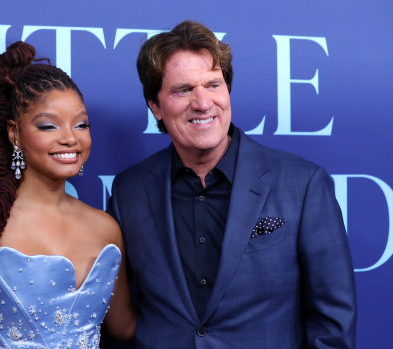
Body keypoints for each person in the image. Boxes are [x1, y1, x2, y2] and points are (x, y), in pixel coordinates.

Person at [107, 20, 356, 348]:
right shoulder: (130, 191)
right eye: (183, 90)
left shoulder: (303, 184)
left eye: (213, 85)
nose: (203, 102)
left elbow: (333, 325)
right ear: (156, 107)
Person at [0, 41, 135, 349]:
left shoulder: (106, 228)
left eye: (81, 124)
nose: (70, 137)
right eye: (48, 126)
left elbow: (124, 327)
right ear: (14, 133)